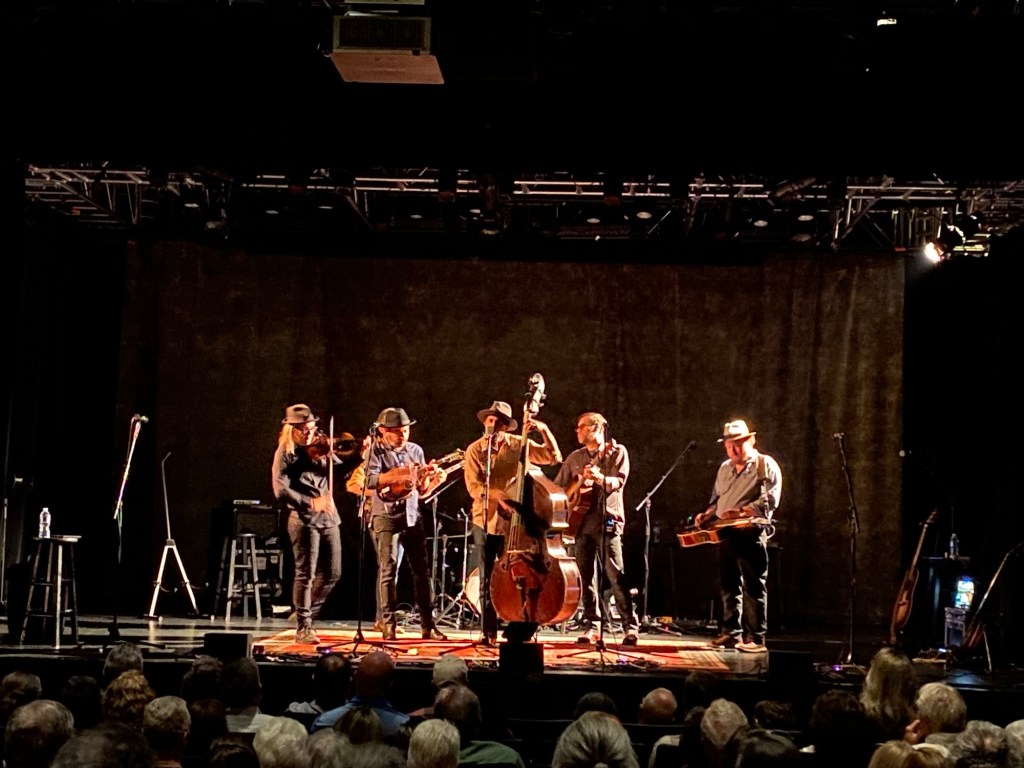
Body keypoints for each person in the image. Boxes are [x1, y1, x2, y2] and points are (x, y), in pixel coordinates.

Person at [463, 400, 562, 645]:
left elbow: (553, 457)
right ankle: (488, 630)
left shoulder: (520, 445)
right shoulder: (475, 450)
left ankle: (519, 622)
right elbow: (474, 487)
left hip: (516, 525)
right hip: (485, 520)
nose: (493, 424)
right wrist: (497, 495)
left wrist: (544, 431)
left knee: (522, 574)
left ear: (507, 426)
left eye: (498, 421)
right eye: (490, 419)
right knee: (486, 577)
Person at [694, 419, 782, 653]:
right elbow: (717, 499)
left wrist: (742, 511)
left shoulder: (765, 465)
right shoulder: (724, 468)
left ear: (751, 440)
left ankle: (756, 638)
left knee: (753, 585)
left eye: (738, 443)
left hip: (750, 532)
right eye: (729, 444)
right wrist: (707, 514)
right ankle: (731, 633)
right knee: (728, 584)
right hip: (725, 532)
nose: (733, 449)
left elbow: (770, 500)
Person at [365, 406, 449, 641]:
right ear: (383, 431)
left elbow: (421, 491)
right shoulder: (376, 451)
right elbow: (370, 480)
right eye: (397, 431)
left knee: (422, 573)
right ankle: (388, 624)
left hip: (412, 518)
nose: (403, 435)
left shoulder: (416, 451)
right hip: (386, 517)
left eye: (405, 430)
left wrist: (435, 481)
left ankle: (427, 625)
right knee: (389, 571)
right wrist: (399, 474)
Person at [554, 412, 638, 646]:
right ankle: (592, 625)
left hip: (607, 521)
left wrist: (600, 477)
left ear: (597, 428)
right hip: (579, 524)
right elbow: (559, 489)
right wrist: (571, 494)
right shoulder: (575, 457)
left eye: (581, 427)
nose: (577, 431)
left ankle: (629, 626)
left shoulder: (617, 452)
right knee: (585, 577)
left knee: (615, 574)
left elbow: (618, 483)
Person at [272, 403, 344, 644]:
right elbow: (280, 490)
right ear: (291, 429)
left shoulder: (319, 447)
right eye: (303, 429)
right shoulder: (286, 452)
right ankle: (304, 625)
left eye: (312, 428)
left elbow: (340, 468)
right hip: (303, 519)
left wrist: (358, 452)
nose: (309, 434)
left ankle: (304, 614)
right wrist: (310, 502)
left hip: (329, 518)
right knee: (306, 574)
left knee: (333, 572)